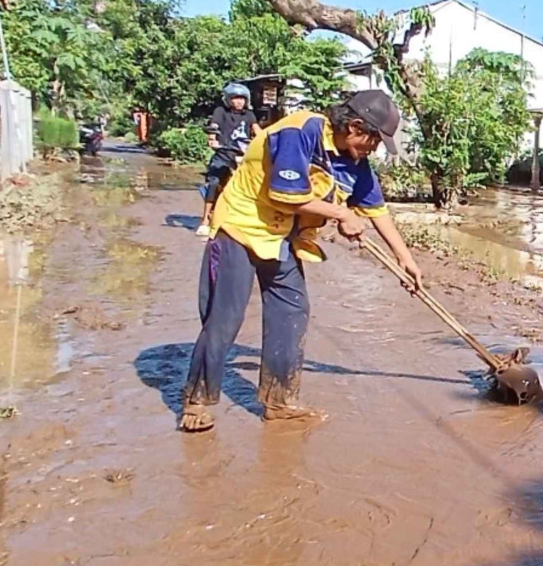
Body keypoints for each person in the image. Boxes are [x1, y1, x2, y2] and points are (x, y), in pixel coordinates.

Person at [179, 90, 423, 432]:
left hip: (282, 238)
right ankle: (197, 401)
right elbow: (285, 195)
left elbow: (376, 210)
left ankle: (279, 401)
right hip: (241, 227)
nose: (374, 149)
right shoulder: (300, 131)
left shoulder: (354, 161)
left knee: (292, 311)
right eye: (374, 141)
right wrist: (340, 213)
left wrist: (405, 259)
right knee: (225, 316)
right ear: (354, 126)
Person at [195, 122, 241, 238]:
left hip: (240, 158)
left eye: (242, 101)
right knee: (214, 182)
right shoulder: (221, 113)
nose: (239, 102)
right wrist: (212, 138)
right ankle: (205, 221)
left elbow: (257, 130)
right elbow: (213, 128)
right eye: (235, 101)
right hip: (221, 157)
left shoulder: (249, 116)